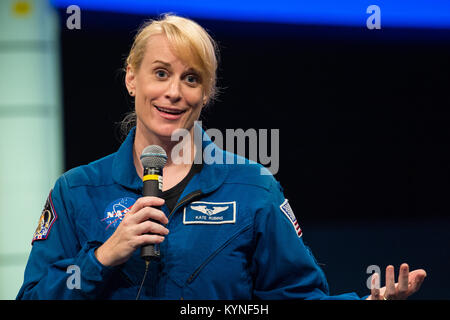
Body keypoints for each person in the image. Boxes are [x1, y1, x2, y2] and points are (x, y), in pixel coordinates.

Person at [17, 14, 426, 300]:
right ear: (131, 77)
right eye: (160, 73)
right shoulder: (76, 191)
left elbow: (297, 296)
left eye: (191, 78)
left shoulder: (253, 187)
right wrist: (104, 257)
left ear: (206, 94)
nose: (174, 92)